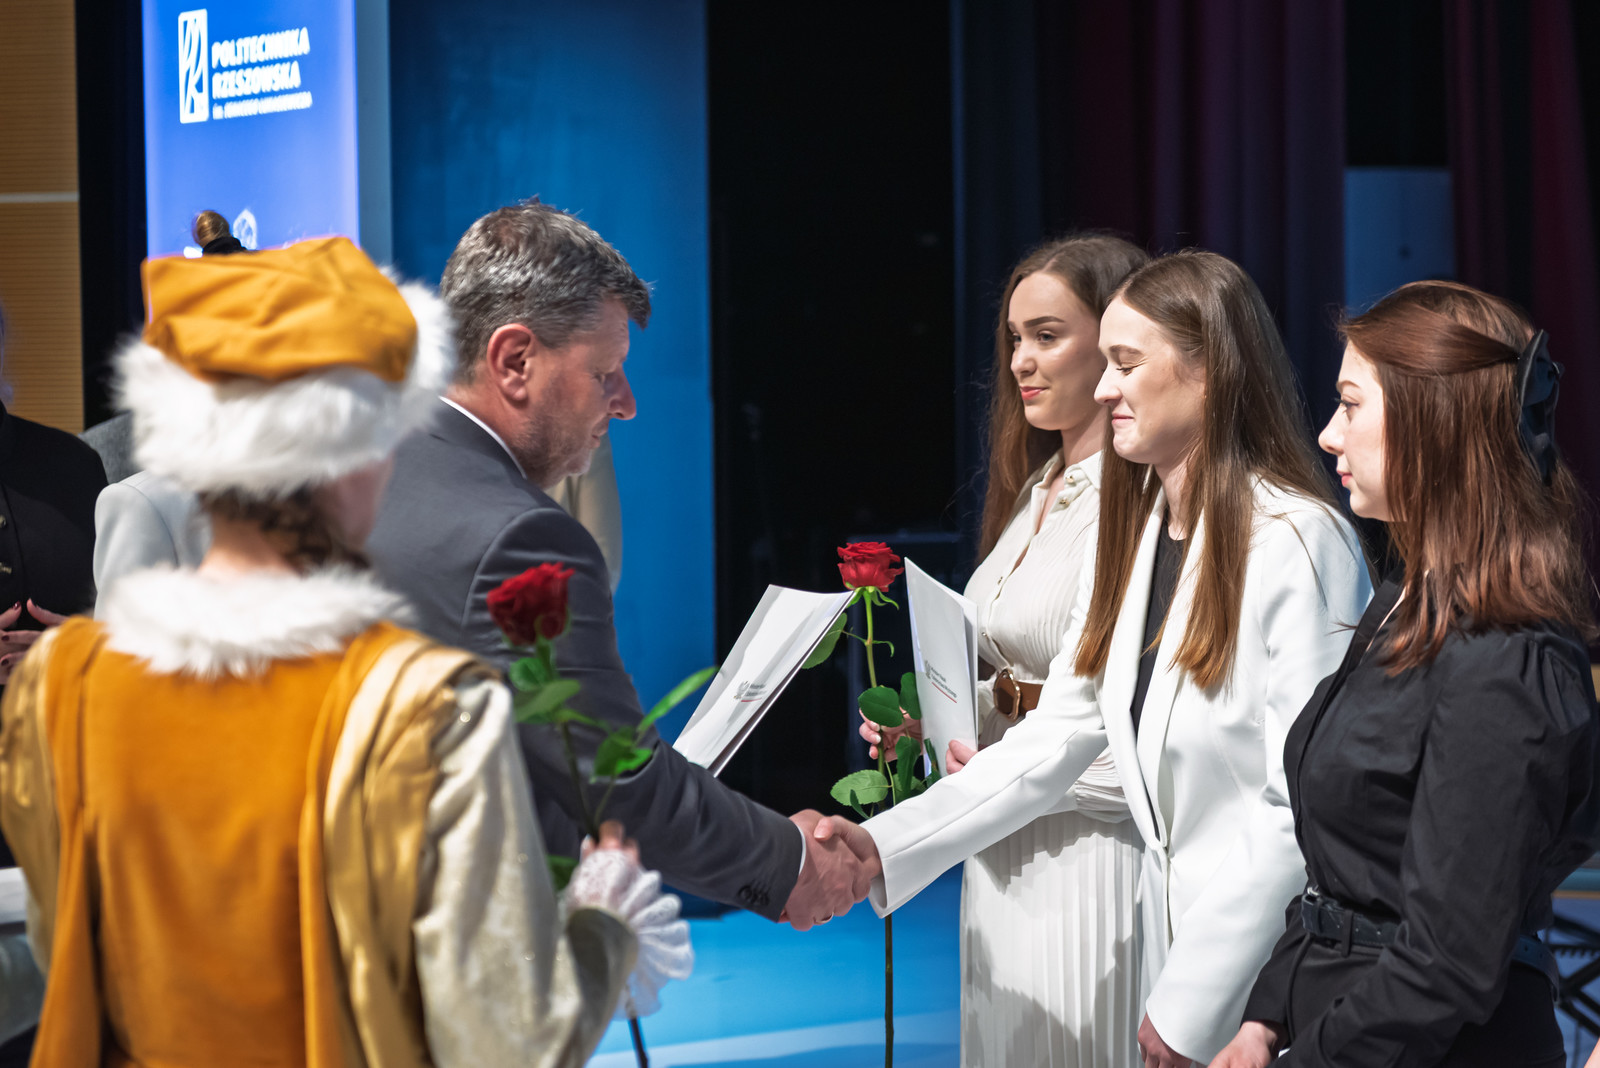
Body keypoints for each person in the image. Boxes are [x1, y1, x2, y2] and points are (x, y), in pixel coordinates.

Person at [0, 236, 687, 1066]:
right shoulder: (421, 705)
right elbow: (512, 1039)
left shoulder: (62, 685)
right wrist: (605, 927)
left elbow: (60, 953)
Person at [820, 249, 1371, 1066]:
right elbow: (1057, 733)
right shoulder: (1142, 534)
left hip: (1261, 984)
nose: (1106, 389)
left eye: (1126, 363)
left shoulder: (1298, 539)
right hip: (1168, 962)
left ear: (1209, 372)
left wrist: (1196, 1001)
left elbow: (1299, 804)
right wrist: (880, 848)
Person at [366, 200, 874, 931]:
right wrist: (790, 860)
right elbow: (621, 787)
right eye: (604, 373)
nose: (626, 404)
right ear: (514, 361)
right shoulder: (521, 537)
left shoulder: (365, 471)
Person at [1212, 281, 1600, 1068]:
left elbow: (1443, 965)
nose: (1328, 434)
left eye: (1351, 406)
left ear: (1435, 423)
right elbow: (1344, 877)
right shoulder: (1403, 599)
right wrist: (1265, 1017)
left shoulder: (1506, 659)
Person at [860, 234, 1148, 1066]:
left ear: (1117, 342)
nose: (1021, 360)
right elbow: (1008, 681)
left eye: (1047, 336)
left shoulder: (1140, 502)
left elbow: (1129, 727)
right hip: (998, 843)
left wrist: (991, 767)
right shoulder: (1035, 488)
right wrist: (934, 727)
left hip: (1087, 854)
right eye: (1015, 338)